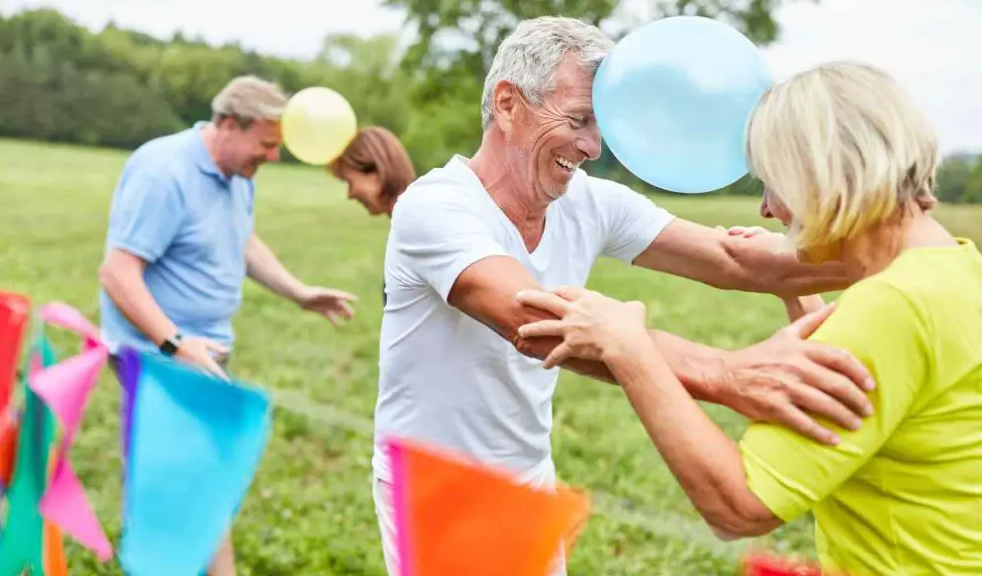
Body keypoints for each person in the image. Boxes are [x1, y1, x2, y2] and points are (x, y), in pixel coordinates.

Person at [371, 16, 877, 575]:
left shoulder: (589, 201)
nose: (592, 146)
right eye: (578, 120)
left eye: (600, 124)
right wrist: (729, 374)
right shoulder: (436, 206)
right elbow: (535, 325)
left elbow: (735, 260)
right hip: (436, 486)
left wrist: (893, 247)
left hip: (528, 475)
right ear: (509, 103)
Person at [516, 61, 982, 574]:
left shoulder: (894, 306)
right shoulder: (955, 268)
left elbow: (740, 506)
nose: (766, 209)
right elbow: (875, 383)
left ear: (821, 174)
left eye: (773, 183)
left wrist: (628, 346)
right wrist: (792, 287)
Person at [98, 75, 358, 576]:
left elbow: (241, 241)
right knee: (183, 489)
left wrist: (298, 291)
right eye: (266, 144)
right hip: (160, 361)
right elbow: (117, 272)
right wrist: (175, 345)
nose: (274, 156)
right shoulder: (164, 171)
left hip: (201, 355)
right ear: (228, 124)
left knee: (199, 486)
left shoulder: (236, 176)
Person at [329, 126, 416, 218]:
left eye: (350, 182)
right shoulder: (411, 217)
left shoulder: (416, 222)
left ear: (377, 171)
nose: (350, 195)